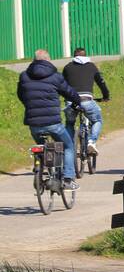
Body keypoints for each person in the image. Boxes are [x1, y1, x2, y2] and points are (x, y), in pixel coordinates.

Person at [18, 49, 81, 188]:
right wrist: (78, 101)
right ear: (48, 59)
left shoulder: (24, 76)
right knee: (68, 146)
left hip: (33, 123)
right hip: (53, 123)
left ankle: (40, 171)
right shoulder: (55, 76)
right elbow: (68, 92)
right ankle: (68, 179)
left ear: (34, 60)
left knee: (41, 147)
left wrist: (29, 105)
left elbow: (21, 95)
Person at [62, 45, 110, 157]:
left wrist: (65, 97)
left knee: (69, 123)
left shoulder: (67, 67)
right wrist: (106, 96)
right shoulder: (92, 66)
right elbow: (101, 83)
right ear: (86, 55)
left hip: (71, 101)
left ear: (74, 56)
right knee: (97, 120)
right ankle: (91, 142)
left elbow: (62, 84)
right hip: (86, 100)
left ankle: (69, 146)